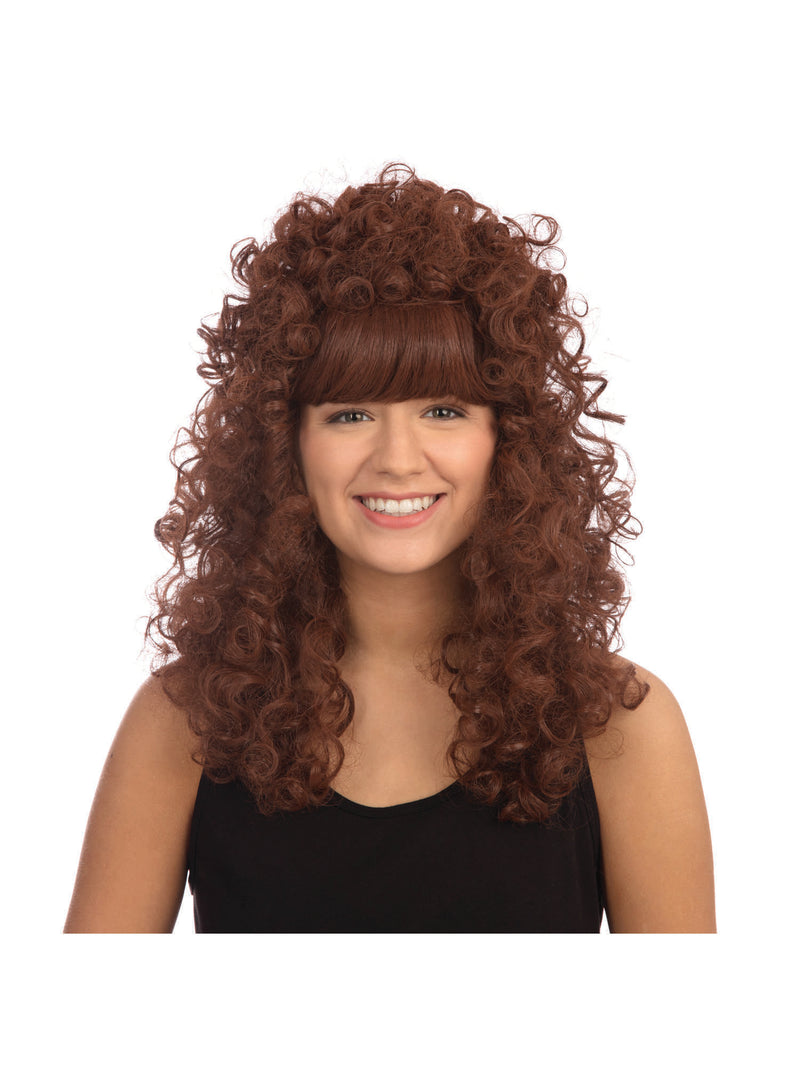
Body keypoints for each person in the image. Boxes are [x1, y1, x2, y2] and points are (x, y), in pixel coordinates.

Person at [64, 163, 715, 933]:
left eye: (443, 409)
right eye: (350, 414)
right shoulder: (184, 725)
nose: (399, 460)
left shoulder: (621, 729)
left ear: (507, 436)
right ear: (286, 441)